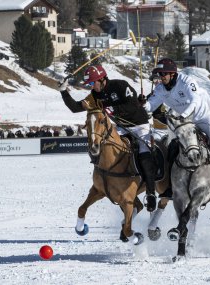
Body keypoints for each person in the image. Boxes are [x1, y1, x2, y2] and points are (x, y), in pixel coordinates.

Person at [59, 65, 158, 212]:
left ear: (102, 79)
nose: (92, 87)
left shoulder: (120, 85)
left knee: (144, 155)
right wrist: (63, 92)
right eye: (90, 85)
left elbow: (133, 105)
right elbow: (75, 107)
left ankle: (150, 193)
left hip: (139, 125)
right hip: (120, 128)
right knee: (104, 150)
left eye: (93, 83)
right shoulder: (94, 96)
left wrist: (112, 109)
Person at [142, 58, 210, 184]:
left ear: (172, 73)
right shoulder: (160, 89)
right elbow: (151, 106)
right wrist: (143, 103)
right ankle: (170, 184)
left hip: (204, 116)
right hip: (185, 121)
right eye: (159, 74)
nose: (161, 77)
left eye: (163, 74)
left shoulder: (186, 81)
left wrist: (183, 116)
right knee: (174, 146)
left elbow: (195, 100)